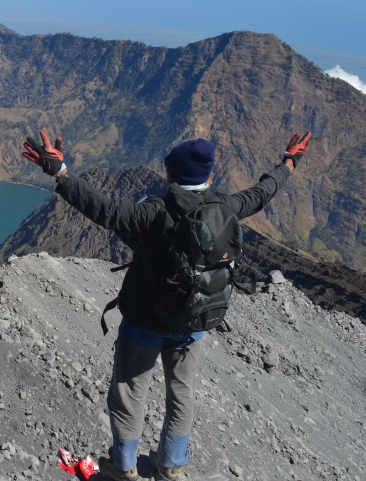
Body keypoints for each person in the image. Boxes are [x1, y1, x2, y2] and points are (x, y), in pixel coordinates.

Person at [21, 130, 311, 481]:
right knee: (182, 392)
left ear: (171, 174)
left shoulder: (153, 212)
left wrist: (60, 172)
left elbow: (101, 208)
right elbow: (264, 191)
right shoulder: (226, 207)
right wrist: (289, 161)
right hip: (194, 323)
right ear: (208, 176)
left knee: (130, 393)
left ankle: (124, 468)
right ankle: (170, 466)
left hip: (144, 322)